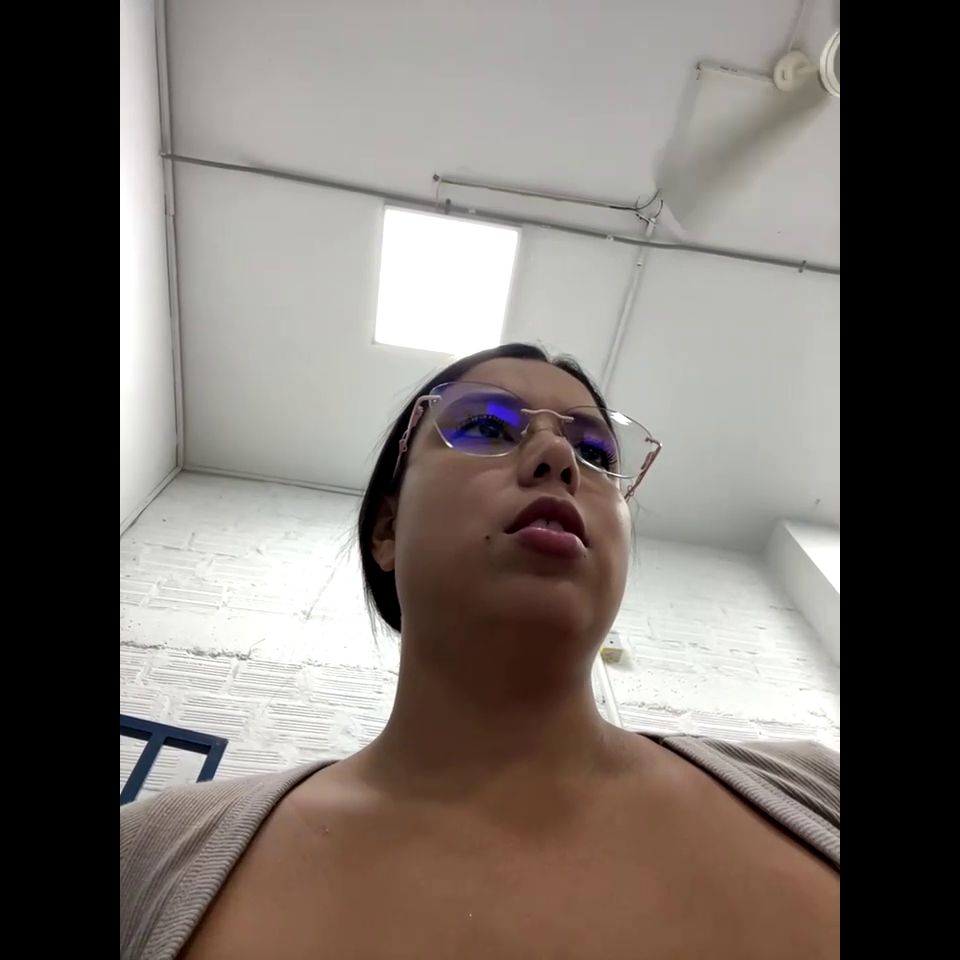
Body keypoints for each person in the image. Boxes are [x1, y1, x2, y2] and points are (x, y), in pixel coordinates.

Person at [121, 343, 839, 959]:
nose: (559, 458)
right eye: (486, 426)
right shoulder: (149, 856)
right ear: (386, 529)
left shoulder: (816, 791)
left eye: (595, 453)